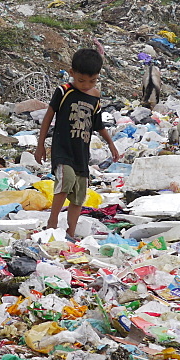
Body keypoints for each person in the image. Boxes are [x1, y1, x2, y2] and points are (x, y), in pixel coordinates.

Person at [34, 49, 120, 241]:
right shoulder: (63, 91)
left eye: (92, 81)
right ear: (71, 73)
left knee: (79, 195)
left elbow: (98, 124)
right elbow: (48, 117)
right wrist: (40, 145)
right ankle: (52, 222)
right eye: (81, 81)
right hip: (63, 149)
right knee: (66, 182)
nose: (86, 85)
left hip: (81, 153)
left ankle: (70, 233)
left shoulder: (95, 96)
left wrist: (112, 145)